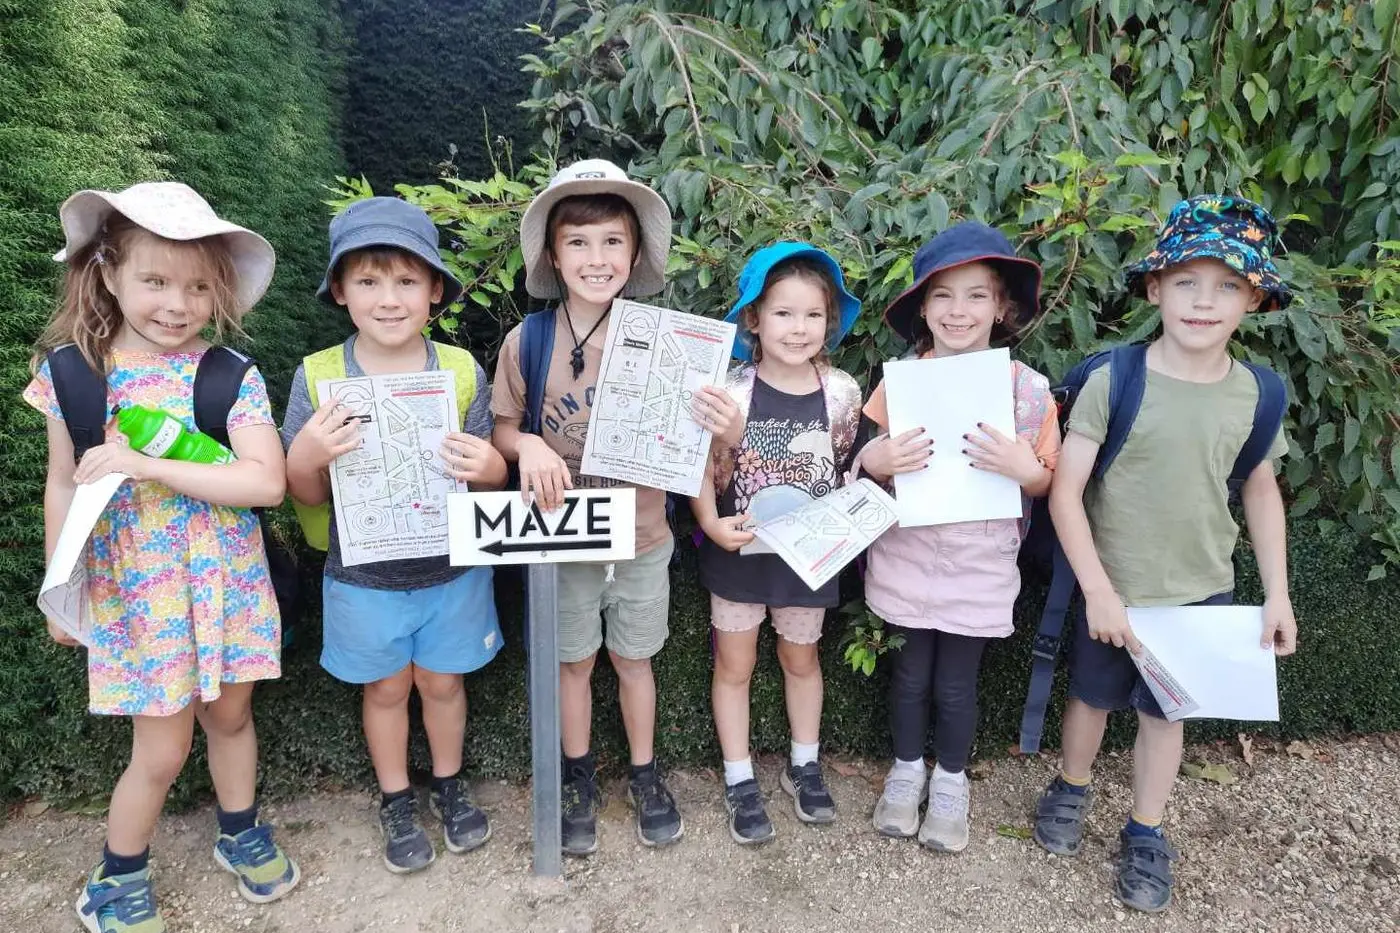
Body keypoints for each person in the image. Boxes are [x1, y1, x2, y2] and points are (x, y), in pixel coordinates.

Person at [25, 181, 298, 933]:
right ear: (108, 270)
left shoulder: (230, 375)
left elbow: (266, 481)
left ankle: (239, 827)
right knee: (163, 742)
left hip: (228, 583)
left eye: (198, 286)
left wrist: (147, 464)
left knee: (232, 714)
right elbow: (60, 482)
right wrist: (60, 589)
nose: (176, 303)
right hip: (137, 593)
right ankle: (117, 874)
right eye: (155, 280)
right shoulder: (74, 374)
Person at [1031, 195, 1298, 912]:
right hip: (1110, 584)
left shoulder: (1257, 394)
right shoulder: (1116, 379)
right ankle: (1072, 784)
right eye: (1186, 282)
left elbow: (1262, 492)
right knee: (1090, 697)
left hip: (1198, 593)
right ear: (1155, 289)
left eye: (1226, 286)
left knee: (1165, 714)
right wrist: (1097, 589)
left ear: (1255, 298)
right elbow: (1065, 492)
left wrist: (1277, 592)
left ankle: (1146, 828)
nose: (1203, 302)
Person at [491, 159, 742, 855]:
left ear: (634, 255)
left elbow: (710, 444)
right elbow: (504, 425)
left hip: (642, 535)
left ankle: (643, 770)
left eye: (611, 242)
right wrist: (528, 448)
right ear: (552, 255)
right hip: (561, 535)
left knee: (635, 660)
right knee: (572, 662)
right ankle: (577, 778)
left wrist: (726, 425)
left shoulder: (672, 342)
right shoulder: (529, 341)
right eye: (578, 242)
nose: (595, 258)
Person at [282, 197, 507, 873]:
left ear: (434, 291)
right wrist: (308, 454)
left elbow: (491, 477)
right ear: (341, 292)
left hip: (452, 571)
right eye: (369, 281)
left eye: (407, 281)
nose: (388, 299)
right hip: (362, 577)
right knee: (384, 689)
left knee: (442, 685)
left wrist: (490, 464)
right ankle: (395, 797)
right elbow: (303, 492)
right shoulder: (319, 375)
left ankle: (448, 781)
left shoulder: (461, 369)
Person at [859, 222, 1060, 853]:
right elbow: (864, 458)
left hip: (980, 558)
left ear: (1002, 307)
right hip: (906, 550)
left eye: (976, 296)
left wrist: (1023, 468)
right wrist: (876, 461)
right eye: (943, 296)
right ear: (923, 306)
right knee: (911, 676)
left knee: (955, 683)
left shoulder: (1028, 392)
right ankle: (905, 770)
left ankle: (950, 781)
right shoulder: (903, 382)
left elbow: (1047, 480)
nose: (958, 311)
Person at [694, 242, 864, 844]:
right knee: (734, 665)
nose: (798, 328)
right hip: (739, 549)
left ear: (829, 322)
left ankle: (804, 764)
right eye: (783, 313)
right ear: (754, 319)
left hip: (809, 557)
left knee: (801, 658)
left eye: (812, 315)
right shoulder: (728, 392)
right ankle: (739, 776)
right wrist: (712, 523)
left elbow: (844, 467)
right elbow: (697, 468)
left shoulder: (843, 392)